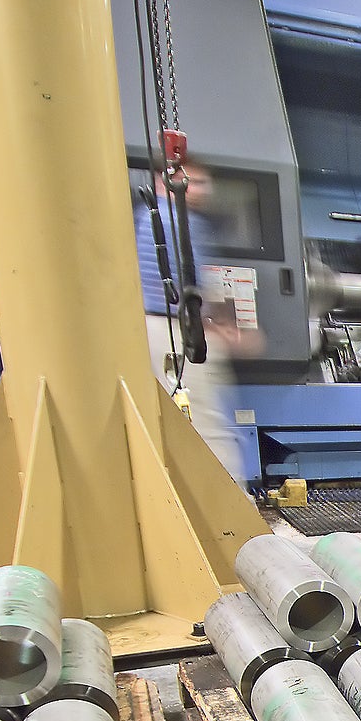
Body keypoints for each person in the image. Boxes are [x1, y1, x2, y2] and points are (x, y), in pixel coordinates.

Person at [134, 162, 250, 486]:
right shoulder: (181, 221)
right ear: (163, 181)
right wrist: (220, 327)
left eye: (203, 183)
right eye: (193, 181)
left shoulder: (146, 218)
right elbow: (194, 285)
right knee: (210, 426)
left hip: (150, 331)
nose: (199, 190)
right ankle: (236, 509)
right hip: (176, 332)